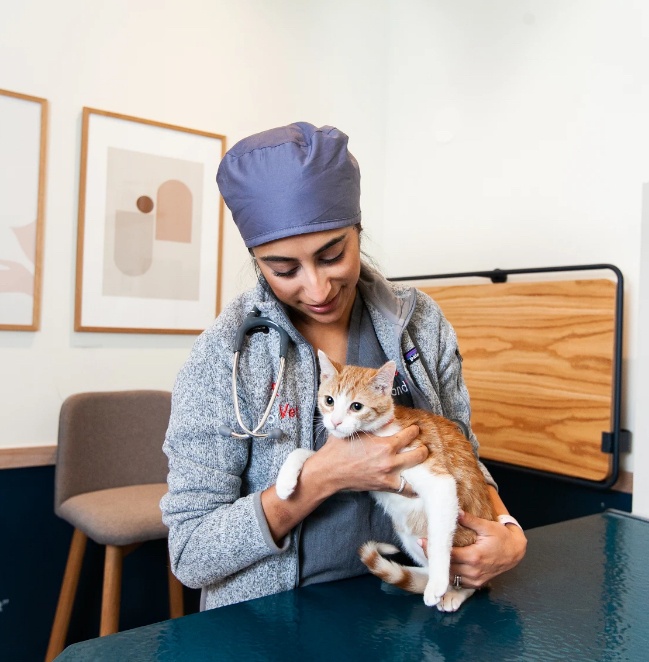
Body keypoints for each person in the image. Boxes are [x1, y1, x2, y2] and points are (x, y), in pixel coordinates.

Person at [161, 122, 527, 610]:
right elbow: (191, 554)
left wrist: (507, 532)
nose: (316, 289)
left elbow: (462, 454)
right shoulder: (225, 355)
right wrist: (321, 478)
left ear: (358, 230)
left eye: (332, 255)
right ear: (256, 261)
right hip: (276, 618)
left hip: (412, 602)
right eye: (284, 270)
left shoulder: (421, 324)